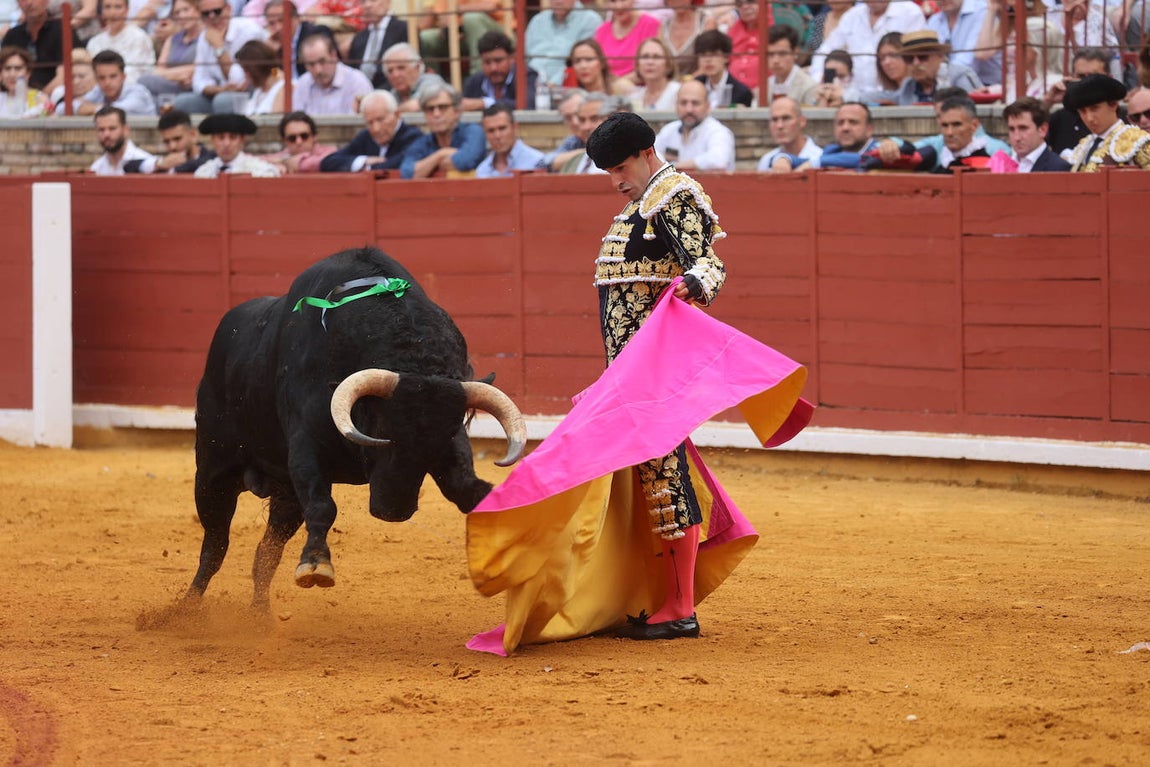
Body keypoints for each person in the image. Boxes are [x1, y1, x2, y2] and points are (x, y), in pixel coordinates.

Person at [581, 111, 727, 639]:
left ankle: (681, 609)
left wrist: (694, 281)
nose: (615, 180)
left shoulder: (672, 195)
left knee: (665, 476)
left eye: (621, 167)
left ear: (647, 152)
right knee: (647, 478)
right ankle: (653, 597)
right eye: (606, 172)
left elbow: (710, 263)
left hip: (654, 371)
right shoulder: (640, 203)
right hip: (629, 371)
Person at [811, 0, 927, 95]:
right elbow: (824, 52)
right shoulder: (852, 16)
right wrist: (819, 81)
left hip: (897, 94)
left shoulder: (910, 12)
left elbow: (919, 56)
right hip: (854, 96)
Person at [176, 0, 266, 114]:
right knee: (183, 102)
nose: (212, 17)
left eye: (217, 11)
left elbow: (239, 82)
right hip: (220, 92)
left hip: (253, 93)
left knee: (223, 101)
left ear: (228, 9)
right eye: (206, 14)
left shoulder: (249, 31)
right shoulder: (206, 35)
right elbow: (199, 81)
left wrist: (219, 47)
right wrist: (220, 90)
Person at [320, 88, 423, 172]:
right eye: (370, 122)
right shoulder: (365, 137)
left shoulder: (413, 137)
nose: (376, 129)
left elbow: (393, 166)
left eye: (380, 120)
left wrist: (363, 168)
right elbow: (327, 163)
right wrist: (364, 161)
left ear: (396, 115)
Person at [399, 83, 487, 179]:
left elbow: (465, 161)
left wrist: (428, 166)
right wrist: (440, 155)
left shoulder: (473, 131)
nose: (436, 114)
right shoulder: (423, 142)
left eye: (442, 107)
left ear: (457, 111)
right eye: (430, 109)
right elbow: (407, 173)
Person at [1065, 73, 1150, 170]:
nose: (1089, 118)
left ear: (1113, 104)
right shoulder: (1083, 146)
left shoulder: (1138, 141)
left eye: (1094, 108)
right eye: (1082, 111)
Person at [653, 78, 736, 170]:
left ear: (708, 106)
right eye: (683, 103)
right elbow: (651, 156)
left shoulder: (718, 132)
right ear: (676, 105)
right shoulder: (669, 130)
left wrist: (673, 166)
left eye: (695, 103)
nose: (689, 109)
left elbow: (719, 161)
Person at [2, 0, 81, 92]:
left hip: (54, 97)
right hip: (15, 96)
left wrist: (38, 98)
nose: (29, 3)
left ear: (47, 1)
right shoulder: (12, 35)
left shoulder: (62, 30)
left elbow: (64, 75)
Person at [1045, 47, 1111, 154]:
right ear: (1071, 78)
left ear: (1109, 78)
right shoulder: (1060, 119)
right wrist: (1048, 102)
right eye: (1081, 76)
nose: (1086, 82)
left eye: (1094, 76)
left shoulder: (1123, 117)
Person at [892, 29, 982, 105]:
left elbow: (976, 109)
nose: (916, 63)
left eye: (922, 56)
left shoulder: (960, 75)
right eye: (909, 58)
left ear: (940, 56)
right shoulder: (908, 86)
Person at [525, 0, 601, 87]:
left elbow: (582, 63)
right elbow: (524, 60)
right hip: (529, 86)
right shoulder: (537, 21)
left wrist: (551, 86)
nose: (558, 1)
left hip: (566, 89)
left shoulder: (590, 21)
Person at [294, 33, 373, 115]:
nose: (318, 70)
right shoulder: (302, 84)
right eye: (311, 64)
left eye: (322, 61)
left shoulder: (357, 82)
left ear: (334, 55)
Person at [927, 0, 999, 86]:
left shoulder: (982, 10)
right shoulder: (934, 21)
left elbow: (968, 62)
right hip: (949, 85)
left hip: (990, 87)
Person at [138, 0, 201, 100]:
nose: (182, 15)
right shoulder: (172, 39)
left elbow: (198, 68)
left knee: (144, 82)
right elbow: (157, 71)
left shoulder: (205, 37)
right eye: (177, 13)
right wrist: (176, 77)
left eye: (186, 10)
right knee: (144, 85)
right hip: (173, 83)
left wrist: (168, 73)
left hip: (194, 85)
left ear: (198, 10)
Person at [461, 30, 537, 111]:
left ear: (512, 58)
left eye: (498, 61)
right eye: (487, 62)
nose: (493, 68)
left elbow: (530, 104)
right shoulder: (474, 82)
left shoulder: (526, 76)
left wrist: (485, 103)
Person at [85, 0, 156, 85]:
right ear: (102, 12)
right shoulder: (94, 42)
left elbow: (135, 74)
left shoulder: (139, 37)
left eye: (118, 7)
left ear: (127, 10)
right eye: (107, 7)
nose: (112, 12)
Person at [194, 111, 282, 177]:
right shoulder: (204, 172)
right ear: (213, 140)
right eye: (221, 137)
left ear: (242, 140)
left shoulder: (261, 170)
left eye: (233, 137)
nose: (226, 144)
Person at [264, 0, 335, 78]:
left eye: (282, 20)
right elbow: (274, 75)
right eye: (272, 23)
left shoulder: (315, 34)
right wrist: (271, 56)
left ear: (296, 18)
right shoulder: (275, 45)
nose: (278, 28)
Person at [348, 0, 409, 89]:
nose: (367, 5)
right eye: (363, 1)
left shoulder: (404, 30)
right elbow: (352, 73)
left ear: (387, 2)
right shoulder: (358, 38)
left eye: (373, 0)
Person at [76, 50, 157, 116]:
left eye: (113, 76)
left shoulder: (139, 92)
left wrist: (90, 108)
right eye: (102, 78)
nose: (107, 82)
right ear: (96, 79)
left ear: (123, 77)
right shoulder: (98, 91)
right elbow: (65, 108)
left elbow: (114, 112)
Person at [594, 0, 661, 79]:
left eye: (623, 0)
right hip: (607, 87)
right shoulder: (602, 31)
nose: (619, 6)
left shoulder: (650, 25)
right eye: (613, 1)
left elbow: (654, 66)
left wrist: (619, 83)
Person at [135, 107, 216, 173]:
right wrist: (158, 164)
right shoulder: (163, 164)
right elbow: (129, 165)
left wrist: (172, 169)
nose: (172, 146)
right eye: (167, 142)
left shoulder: (212, 158)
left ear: (192, 135)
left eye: (177, 139)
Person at [1001, 96, 1071, 171]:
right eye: (1011, 129)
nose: (1017, 137)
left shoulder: (1058, 168)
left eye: (1023, 128)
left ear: (1043, 130)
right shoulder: (1001, 163)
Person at [475, 103, 544, 178]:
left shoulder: (536, 162)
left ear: (514, 128)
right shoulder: (482, 170)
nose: (497, 136)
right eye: (491, 131)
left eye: (502, 128)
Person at [757, 96, 822, 172]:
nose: (779, 126)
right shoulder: (766, 161)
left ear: (802, 121)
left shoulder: (819, 157)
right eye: (774, 120)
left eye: (786, 118)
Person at [380, 41, 446, 113]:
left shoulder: (431, 81)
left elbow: (414, 106)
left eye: (401, 68)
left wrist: (391, 113)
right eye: (390, 71)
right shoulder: (394, 93)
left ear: (417, 67)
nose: (395, 75)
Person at [89, 105, 156, 175]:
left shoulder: (146, 163)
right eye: (101, 129)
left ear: (126, 130)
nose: (106, 134)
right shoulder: (96, 168)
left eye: (112, 128)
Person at [694, 30, 754, 108]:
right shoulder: (695, 85)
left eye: (714, 54)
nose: (708, 60)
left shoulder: (741, 92)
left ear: (726, 57)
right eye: (703, 55)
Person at [264, 111, 336, 173]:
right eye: (292, 138)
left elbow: (326, 162)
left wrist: (294, 161)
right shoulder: (285, 156)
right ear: (284, 141)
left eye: (304, 136)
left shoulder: (330, 152)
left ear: (314, 137)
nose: (299, 142)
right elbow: (255, 161)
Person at [765, 23, 818, 105]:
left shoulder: (808, 87)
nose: (775, 60)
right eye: (770, 54)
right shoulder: (765, 86)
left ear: (795, 53)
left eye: (782, 54)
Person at [540, 88, 590, 171]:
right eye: (568, 117)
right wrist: (586, 153)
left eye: (578, 114)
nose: (575, 122)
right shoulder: (574, 141)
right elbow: (544, 163)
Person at [661, 0, 715, 76]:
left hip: (697, 83)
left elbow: (707, 65)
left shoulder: (705, 23)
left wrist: (685, 83)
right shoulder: (663, 26)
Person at [628, 37, 680, 111]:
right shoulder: (634, 98)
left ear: (668, 64)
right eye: (645, 57)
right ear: (637, 64)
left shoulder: (678, 92)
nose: (650, 62)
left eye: (656, 57)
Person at [235, 39, 285, 115]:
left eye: (245, 71)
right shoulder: (259, 91)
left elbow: (274, 70)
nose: (245, 75)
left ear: (253, 70)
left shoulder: (283, 89)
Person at [0, 45, 49, 117]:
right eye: (7, 68)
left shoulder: (40, 99)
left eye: (18, 68)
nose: (12, 74)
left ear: (28, 73)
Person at [726, 0, 763, 91]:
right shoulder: (731, 33)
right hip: (735, 95)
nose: (745, 6)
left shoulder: (775, 32)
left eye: (751, 1)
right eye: (739, 3)